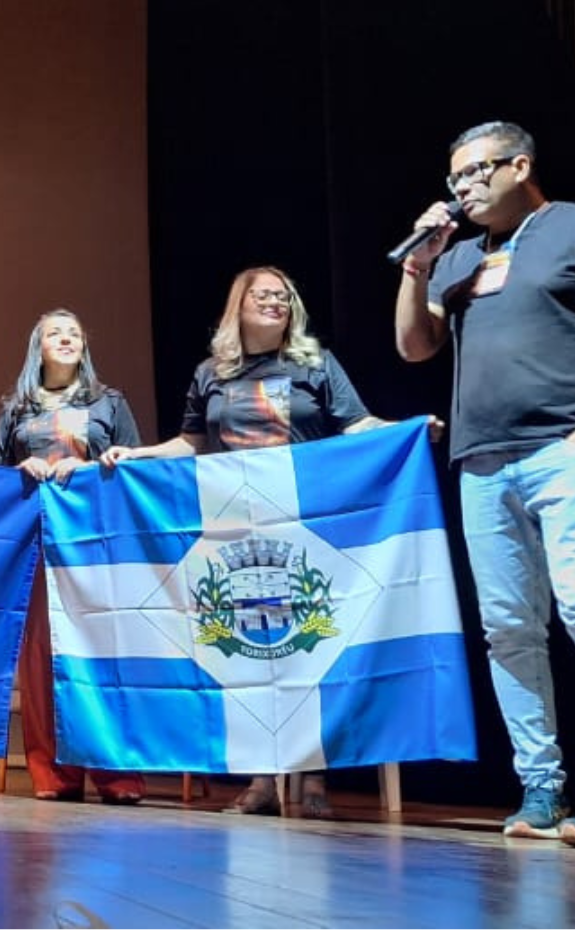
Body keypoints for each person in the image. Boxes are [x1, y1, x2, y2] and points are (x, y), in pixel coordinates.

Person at [393, 120, 575, 850]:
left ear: (520, 165)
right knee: (509, 631)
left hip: (568, 451)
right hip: (483, 464)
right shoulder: (458, 259)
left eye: (477, 171)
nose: (465, 187)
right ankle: (541, 784)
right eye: (455, 178)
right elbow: (415, 346)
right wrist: (417, 267)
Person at [104, 266, 394, 819]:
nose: (275, 303)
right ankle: (262, 778)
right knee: (251, 651)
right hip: (234, 530)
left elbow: (357, 425)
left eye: (284, 297)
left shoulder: (315, 364)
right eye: (263, 295)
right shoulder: (212, 373)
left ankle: (313, 777)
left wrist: (404, 429)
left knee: (306, 646)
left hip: (304, 524)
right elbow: (192, 442)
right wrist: (139, 453)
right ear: (238, 305)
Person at [0, 309, 147, 805]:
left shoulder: (108, 402)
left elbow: (134, 466)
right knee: (42, 656)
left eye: (74, 333)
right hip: (38, 541)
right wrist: (23, 466)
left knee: (102, 651)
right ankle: (54, 774)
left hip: (96, 542)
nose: (66, 339)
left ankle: (116, 775)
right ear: (37, 347)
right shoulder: (17, 408)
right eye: (54, 333)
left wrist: (94, 466)